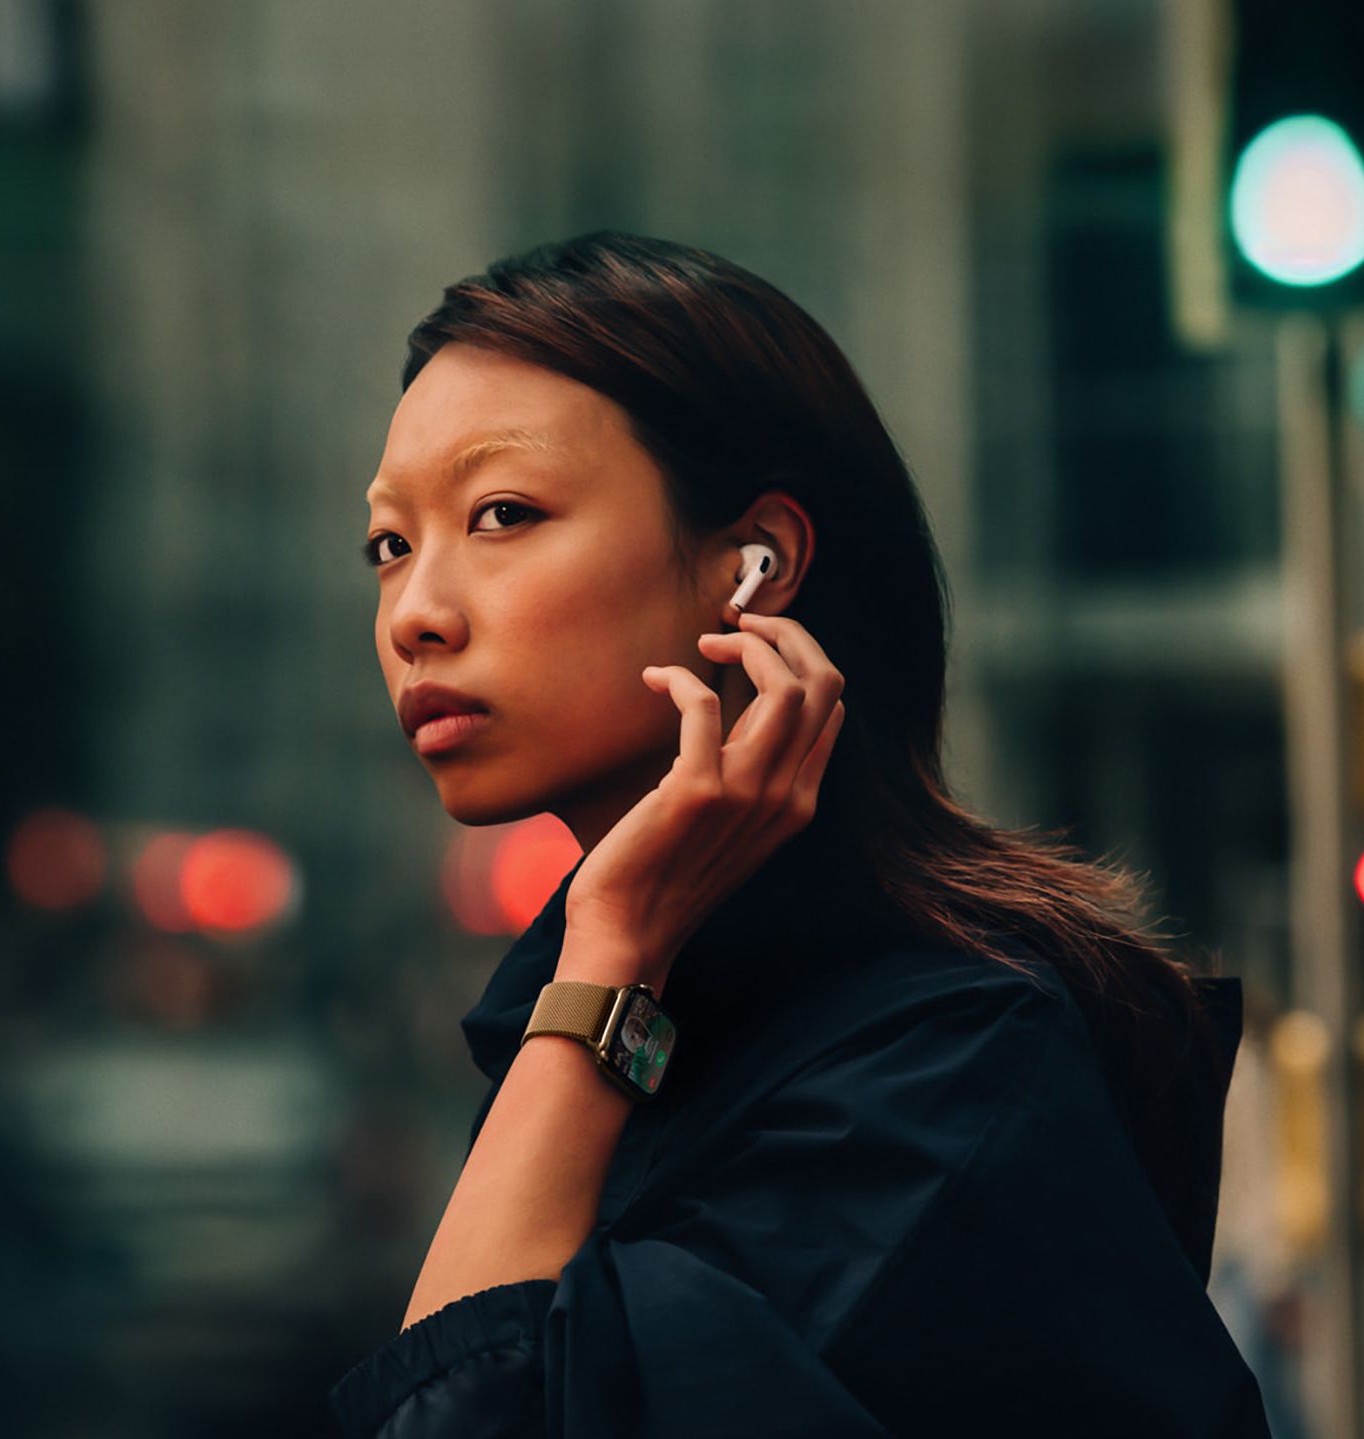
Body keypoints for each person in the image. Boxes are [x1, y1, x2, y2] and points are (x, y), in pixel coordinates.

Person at [335, 230, 1273, 1437]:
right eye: (388, 545)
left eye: (502, 512)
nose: (415, 611)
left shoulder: (936, 1070)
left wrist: (608, 955)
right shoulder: (638, 1005)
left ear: (754, 565)